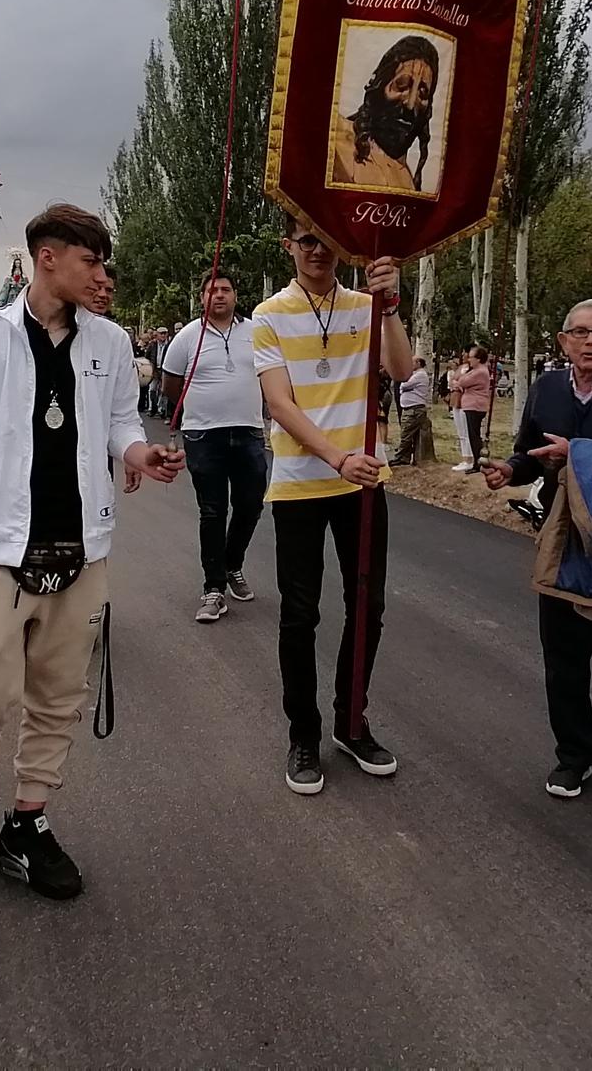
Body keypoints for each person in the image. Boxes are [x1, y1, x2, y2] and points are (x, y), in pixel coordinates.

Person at [0, 203, 185, 908]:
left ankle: (27, 823)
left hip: (83, 550)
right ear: (49, 259)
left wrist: (141, 453)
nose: (102, 275)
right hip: (1, 553)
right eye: (91, 261)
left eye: (102, 263)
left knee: (58, 699)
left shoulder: (109, 343)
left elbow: (122, 423)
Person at [252, 211, 413, 796]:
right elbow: (280, 405)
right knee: (300, 613)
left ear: (342, 247)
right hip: (300, 484)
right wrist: (336, 456)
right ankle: (304, 733)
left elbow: (400, 369)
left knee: (368, 605)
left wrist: (390, 306)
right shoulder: (269, 317)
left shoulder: (367, 305)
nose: (317, 250)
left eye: (327, 240)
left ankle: (351, 722)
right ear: (289, 245)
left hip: (362, 485)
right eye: (306, 240)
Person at [482, 299, 592, 814]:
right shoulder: (545, 390)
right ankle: (574, 756)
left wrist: (576, 452)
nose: (590, 342)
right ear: (562, 341)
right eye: (579, 332)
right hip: (565, 533)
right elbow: (530, 453)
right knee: (565, 655)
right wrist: (509, 471)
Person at [161, 275, 266, 623]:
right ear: (201, 296)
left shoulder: (256, 331)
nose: (218, 295)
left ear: (236, 295)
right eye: (211, 290)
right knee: (212, 511)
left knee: (251, 504)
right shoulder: (188, 336)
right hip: (204, 437)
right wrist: (199, 409)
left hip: (249, 433)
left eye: (225, 289)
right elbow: (170, 382)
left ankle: (232, 563)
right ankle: (214, 589)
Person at [328, 34, 439, 192]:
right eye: (401, 86)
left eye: (423, 94)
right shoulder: (334, 140)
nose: (410, 103)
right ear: (379, 85)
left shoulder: (406, 181)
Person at [448, 346, 493, 472]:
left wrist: (458, 383)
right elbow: (456, 381)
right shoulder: (476, 370)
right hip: (472, 405)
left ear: (478, 359)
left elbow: (461, 381)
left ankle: (477, 463)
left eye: (471, 357)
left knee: (474, 435)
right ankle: (477, 462)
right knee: (473, 434)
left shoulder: (479, 372)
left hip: (475, 406)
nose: (469, 360)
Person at [390, 355, 432, 465]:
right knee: (407, 433)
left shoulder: (420, 375)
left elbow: (404, 385)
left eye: (412, 362)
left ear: (418, 363)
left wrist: (405, 387)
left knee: (406, 434)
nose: (410, 364)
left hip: (414, 409)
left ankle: (399, 457)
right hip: (410, 408)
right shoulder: (415, 375)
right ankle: (405, 457)